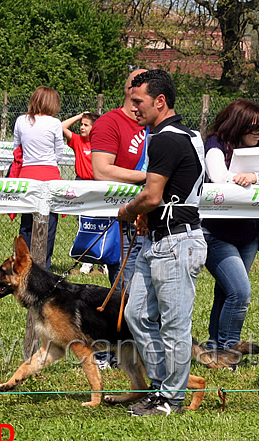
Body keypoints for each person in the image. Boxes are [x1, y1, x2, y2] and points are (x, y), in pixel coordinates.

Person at [116, 69, 207, 416]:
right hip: (158, 240)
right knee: (137, 313)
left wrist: (128, 210)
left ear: (160, 101)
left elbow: (152, 195)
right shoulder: (183, 135)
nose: (132, 107)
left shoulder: (167, 139)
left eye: (137, 101)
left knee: (174, 325)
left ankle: (172, 398)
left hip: (176, 243)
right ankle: (159, 389)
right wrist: (145, 216)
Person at [202, 99, 259, 356]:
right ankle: (229, 352)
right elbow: (220, 178)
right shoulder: (215, 144)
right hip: (215, 233)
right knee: (240, 293)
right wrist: (253, 182)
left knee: (225, 292)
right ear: (238, 126)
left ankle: (214, 348)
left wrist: (255, 178)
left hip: (249, 233)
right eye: (254, 128)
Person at [91, 68, 148, 290]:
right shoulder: (109, 123)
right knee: (127, 295)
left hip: (154, 219)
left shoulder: (156, 123)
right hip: (124, 222)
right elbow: (102, 171)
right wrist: (150, 178)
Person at [13, 86, 64, 270]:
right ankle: (43, 265)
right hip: (50, 174)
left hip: (27, 174)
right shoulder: (55, 123)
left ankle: (22, 262)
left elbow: (17, 147)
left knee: (27, 222)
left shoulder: (21, 120)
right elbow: (59, 153)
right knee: (49, 223)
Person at [62, 111, 106, 275]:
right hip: (81, 184)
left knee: (100, 222)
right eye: (81, 124)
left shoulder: (100, 143)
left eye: (86, 125)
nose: (81, 127)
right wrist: (80, 116)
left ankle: (102, 259)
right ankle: (86, 260)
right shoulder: (77, 141)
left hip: (98, 184)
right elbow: (61, 127)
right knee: (84, 223)